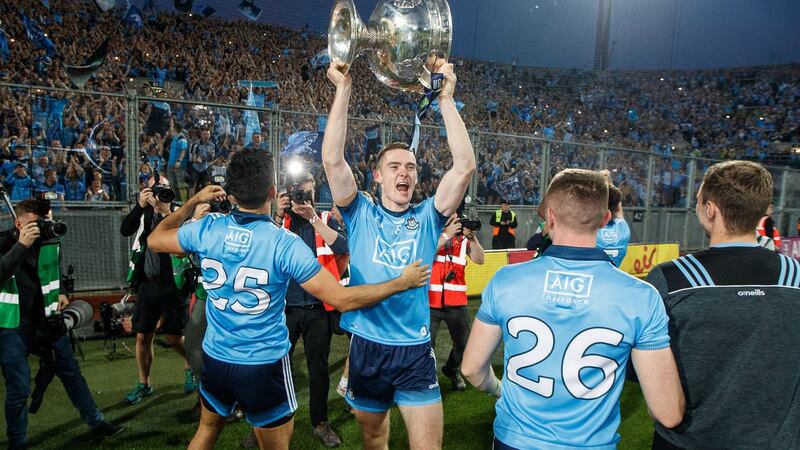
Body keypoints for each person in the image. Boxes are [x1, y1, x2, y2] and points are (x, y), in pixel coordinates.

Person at [146, 148, 430, 450]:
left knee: (205, 433)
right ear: (272, 191)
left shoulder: (207, 227)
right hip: (262, 364)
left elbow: (155, 238)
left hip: (216, 356)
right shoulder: (284, 244)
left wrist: (193, 201)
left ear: (229, 194)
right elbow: (342, 299)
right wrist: (400, 282)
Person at [462, 169, 684, 449]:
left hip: (514, 440)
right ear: (605, 220)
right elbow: (668, 413)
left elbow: (471, 369)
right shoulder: (641, 297)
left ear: (550, 217)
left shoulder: (506, 280)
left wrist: (498, 389)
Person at [322, 58, 475, 450]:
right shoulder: (359, 213)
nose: (404, 173)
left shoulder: (428, 216)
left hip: (414, 353)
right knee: (374, 440)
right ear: (377, 175)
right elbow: (333, 160)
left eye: (410, 167)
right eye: (394, 166)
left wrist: (446, 100)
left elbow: (464, 166)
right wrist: (343, 91)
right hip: (367, 349)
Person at [646, 161, 800, 449]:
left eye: (698, 200)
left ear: (711, 209)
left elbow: (645, 367)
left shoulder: (673, 278)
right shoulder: (796, 277)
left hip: (687, 442)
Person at [0, 199, 122, 449]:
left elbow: (53, 269)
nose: (44, 227)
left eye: (47, 221)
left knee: (71, 372)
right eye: (37, 223)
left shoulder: (51, 239)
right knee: (18, 387)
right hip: (11, 324)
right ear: (18, 222)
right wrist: (22, 245)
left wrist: (63, 290)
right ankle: (17, 443)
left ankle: (97, 422)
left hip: (47, 320)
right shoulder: (3, 242)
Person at [274, 172, 348, 447]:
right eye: (298, 193)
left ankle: (320, 422)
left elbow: (342, 245)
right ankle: (269, 421)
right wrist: (279, 217)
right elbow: (265, 247)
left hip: (318, 308)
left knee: (318, 370)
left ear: (315, 193)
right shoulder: (282, 222)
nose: (302, 199)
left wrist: (313, 218)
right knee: (276, 367)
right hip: (285, 308)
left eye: (307, 193)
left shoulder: (325, 219)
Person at [120, 175, 194, 405]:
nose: (160, 192)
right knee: (143, 336)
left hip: (173, 285)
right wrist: (140, 206)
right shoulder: (143, 214)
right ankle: (144, 383)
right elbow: (126, 230)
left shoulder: (179, 214)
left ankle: (190, 366)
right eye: (155, 188)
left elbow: (184, 239)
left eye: (164, 188)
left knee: (174, 337)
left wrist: (164, 213)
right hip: (147, 284)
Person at [428, 213, 484, 391]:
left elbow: (480, 260)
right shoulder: (432, 234)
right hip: (431, 301)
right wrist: (446, 235)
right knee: (427, 345)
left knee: (463, 343)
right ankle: (427, 378)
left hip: (456, 301)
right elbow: (425, 253)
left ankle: (451, 369)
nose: (457, 224)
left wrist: (472, 239)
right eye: (453, 221)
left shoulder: (464, 241)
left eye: (458, 221)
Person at [596, 171, 631, 266]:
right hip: (614, 276)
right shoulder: (623, 230)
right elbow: (616, 204)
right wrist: (608, 180)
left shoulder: (591, 231)